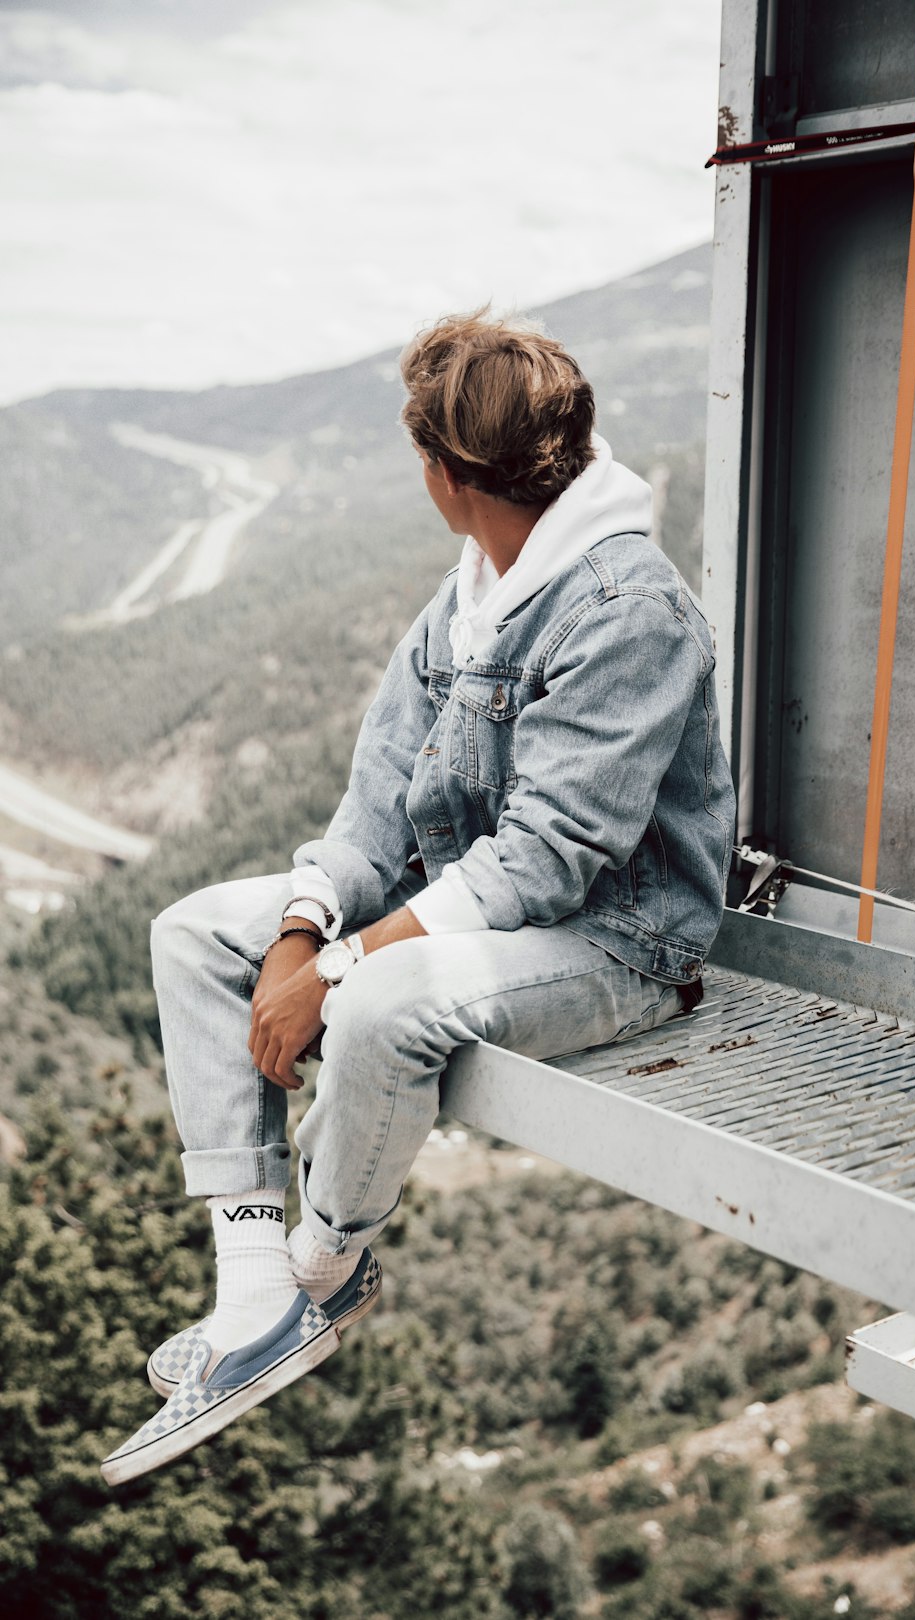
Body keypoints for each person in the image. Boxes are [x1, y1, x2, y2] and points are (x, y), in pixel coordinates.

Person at [102, 311, 736, 1486]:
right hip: (469, 899)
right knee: (194, 936)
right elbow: (378, 804)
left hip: (618, 938)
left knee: (389, 1003)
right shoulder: (472, 590)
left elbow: (550, 859)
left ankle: (324, 1274)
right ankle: (252, 1294)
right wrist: (300, 931)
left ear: (447, 476)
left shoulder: (625, 610)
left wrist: (339, 972)